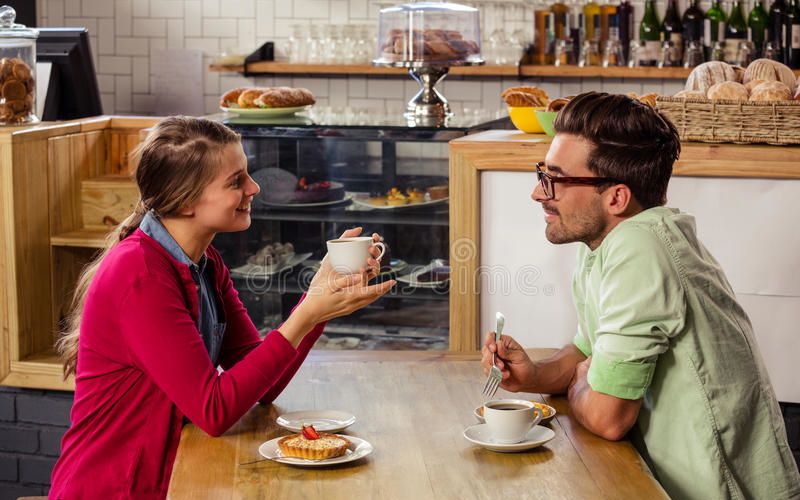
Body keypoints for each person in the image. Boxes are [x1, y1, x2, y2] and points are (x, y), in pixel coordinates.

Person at [49, 116, 394, 499]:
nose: (254, 187)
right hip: (114, 490)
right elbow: (213, 411)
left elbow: (264, 383)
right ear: (185, 201)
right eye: (236, 181)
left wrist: (319, 303)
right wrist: (308, 313)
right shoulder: (140, 274)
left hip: (170, 480)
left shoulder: (204, 261)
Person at [481, 92, 800, 500]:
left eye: (556, 179)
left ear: (616, 197)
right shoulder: (606, 242)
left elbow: (609, 417)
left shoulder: (639, 249)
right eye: (543, 173)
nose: (538, 193)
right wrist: (535, 375)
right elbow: (586, 351)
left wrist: (583, 386)